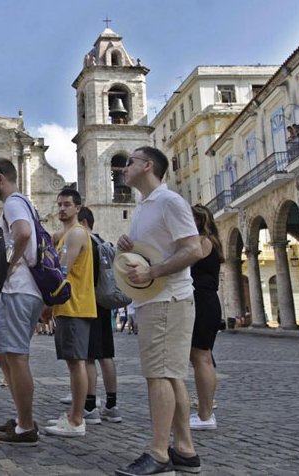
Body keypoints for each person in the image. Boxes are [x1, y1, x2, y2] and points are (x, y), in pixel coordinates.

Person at [115, 146, 203, 476]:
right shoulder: (144, 207)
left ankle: (158, 454)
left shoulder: (169, 202)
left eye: (131, 162)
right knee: (170, 375)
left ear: (148, 166)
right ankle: (185, 450)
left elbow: (192, 249)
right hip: (156, 301)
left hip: (167, 300)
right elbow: (158, 250)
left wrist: (152, 273)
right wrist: (131, 248)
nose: (124, 168)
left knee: (158, 377)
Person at [0, 158, 44, 446]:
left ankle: (26, 426)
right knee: (6, 355)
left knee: (16, 357)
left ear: (0, 178)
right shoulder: (23, 203)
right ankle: (22, 418)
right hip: (24, 291)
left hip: (19, 289)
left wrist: (10, 264)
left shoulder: (14, 202)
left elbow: (24, 234)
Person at [42, 189, 95, 438]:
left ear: (77, 208)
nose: (62, 208)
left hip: (75, 305)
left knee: (76, 364)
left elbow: (61, 272)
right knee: (75, 363)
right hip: (70, 306)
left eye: (67, 205)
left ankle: (76, 420)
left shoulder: (75, 234)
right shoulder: (68, 235)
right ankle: (75, 414)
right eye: (59, 204)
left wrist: (47, 304)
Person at [78, 206, 122, 425]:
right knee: (106, 355)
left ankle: (89, 405)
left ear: (84, 222)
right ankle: (112, 405)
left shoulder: (85, 243)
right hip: (105, 304)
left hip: (89, 303)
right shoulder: (103, 242)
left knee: (88, 357)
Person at [188, 204, 224, 431]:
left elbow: (186, 262)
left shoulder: (202, 242)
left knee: (202, 358)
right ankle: (205, 410)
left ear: (199, 221)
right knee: (202, 357)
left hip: (203, 303)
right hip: (205, 302)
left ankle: (205, 415)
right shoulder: (209, 240)